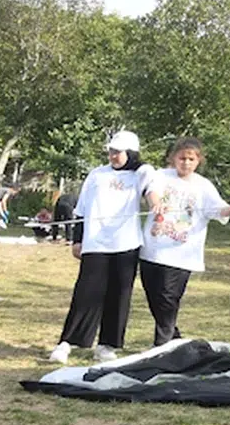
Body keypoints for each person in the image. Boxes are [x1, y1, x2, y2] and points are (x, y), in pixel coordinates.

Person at [49, 131, 155, 364]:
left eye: (118, 152)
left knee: (119, 295)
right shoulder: (96, 175)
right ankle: (67, 342)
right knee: (86, 293)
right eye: (111, 151)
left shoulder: (141, 173)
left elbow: (152, 191)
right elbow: (82, 210)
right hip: (96, 243)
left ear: (131, 153)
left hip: (126, 244)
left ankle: (107, 344)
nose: (113, 155)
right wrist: (77, 240)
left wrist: (157, 206)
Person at [138, 137, 230, 348]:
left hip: (182, 253)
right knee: (154, 297)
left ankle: (162, 343)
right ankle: (174, 338)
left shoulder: (203, 186)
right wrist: (156, 203)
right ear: (172, 158)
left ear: (198, 161)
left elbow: (217, 209)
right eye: (181, 158)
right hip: (152, 249)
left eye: (190, 159)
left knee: (169, 298)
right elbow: (152, 191)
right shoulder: (161, 176)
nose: (185, 163)